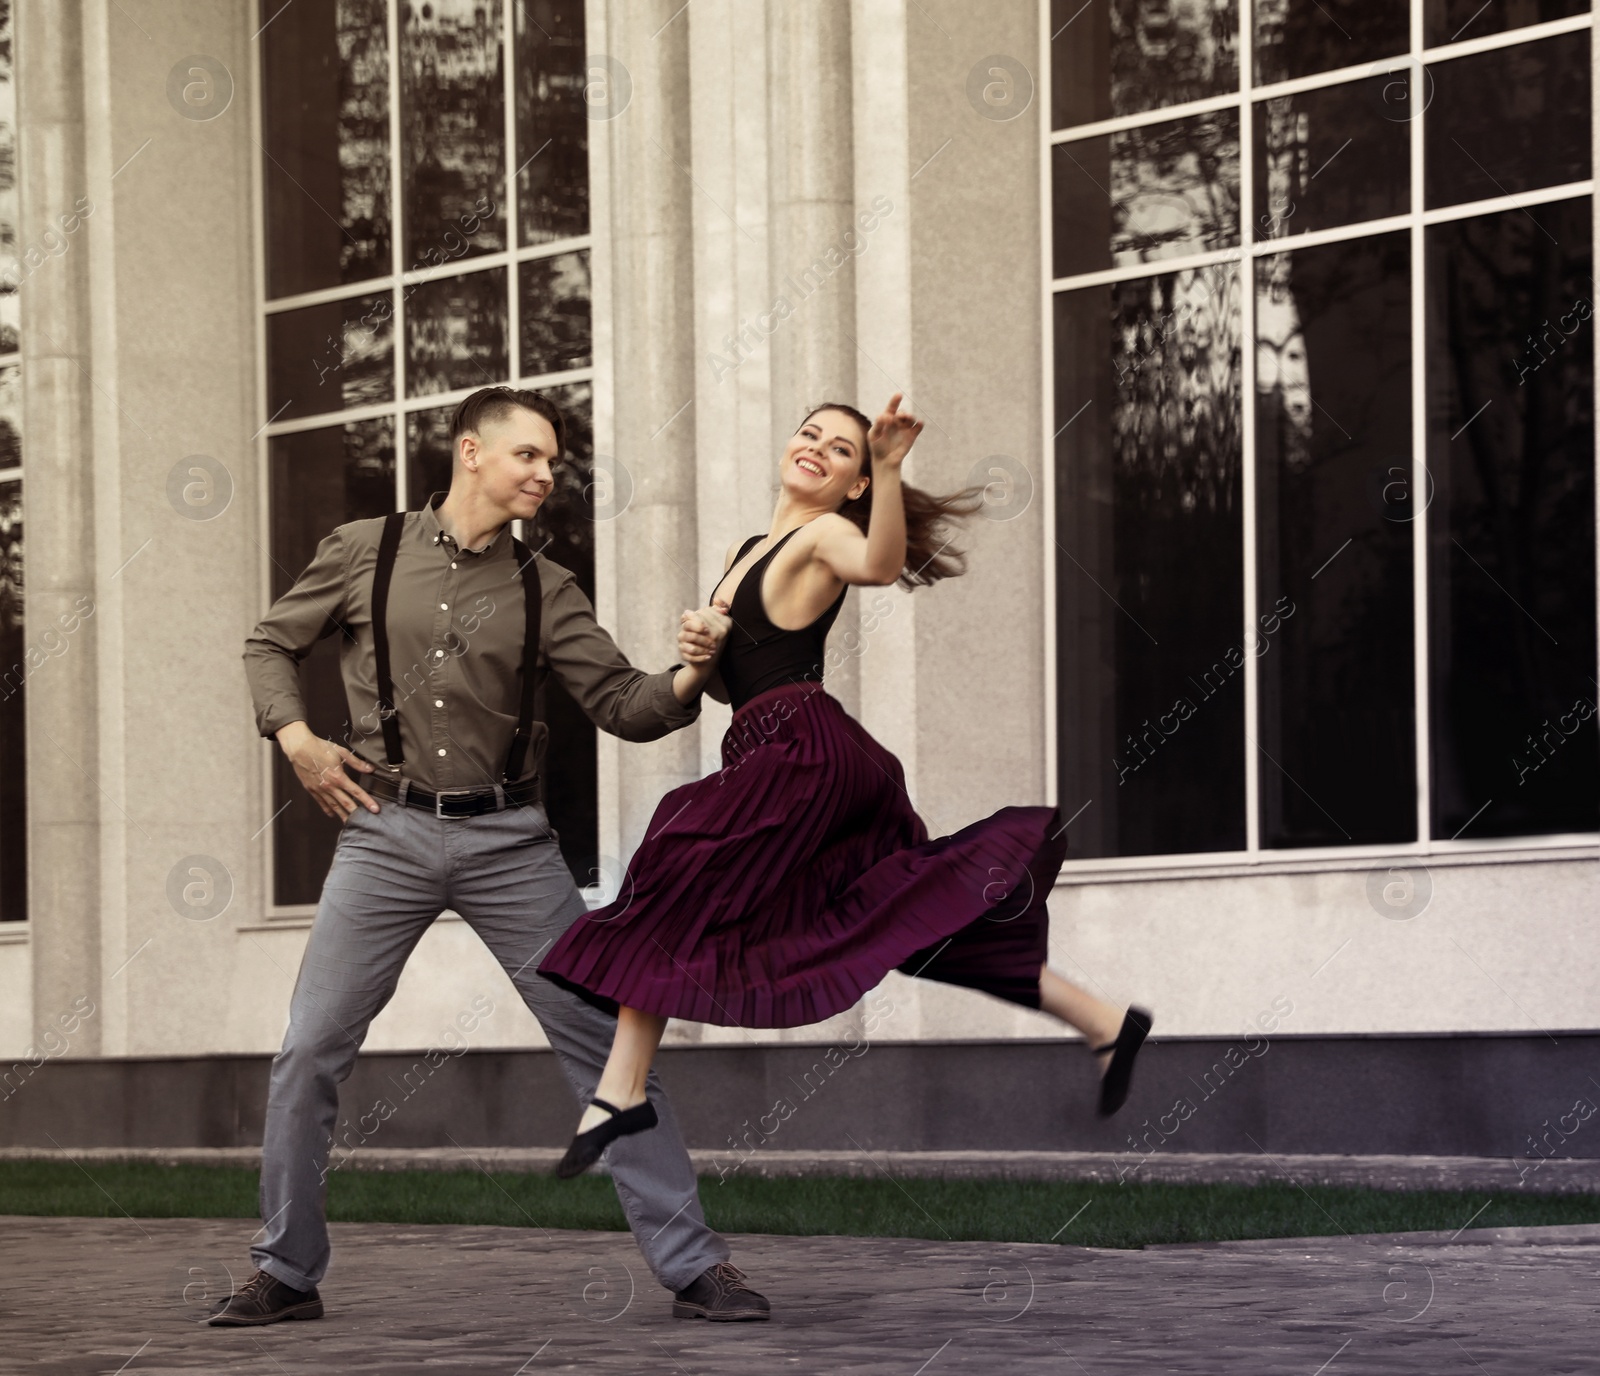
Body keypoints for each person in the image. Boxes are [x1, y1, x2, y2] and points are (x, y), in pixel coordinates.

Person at [214, 386, 769, 1326]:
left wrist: (692, 670)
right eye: (530, 456)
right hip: (382, 834)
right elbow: (270, 642)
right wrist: (297, 739)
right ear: (471, 452)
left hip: (510, 841)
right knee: (309, 1048)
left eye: (552, 461)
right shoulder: (364, 550)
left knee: (606, 1043)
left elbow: (626, 705)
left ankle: (693, 1266)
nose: (548, 474)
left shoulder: (543, 585)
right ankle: (287, 1271)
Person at [539, 394, 1153, 1177]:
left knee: (678, 859)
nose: (817, 451)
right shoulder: (751, 547)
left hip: (802, 755)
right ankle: (1103, 1020)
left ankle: (621, 1090)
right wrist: (699, 652)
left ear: (854, 486)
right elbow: (735, 685)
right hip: (778, 745)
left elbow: (881, 565)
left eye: (840, 453)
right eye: (810, 435)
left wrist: (892, 467)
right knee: (894, 917)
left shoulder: (831, 534)